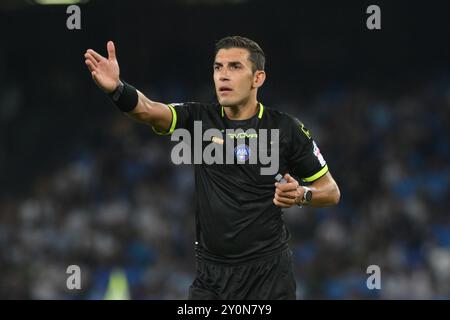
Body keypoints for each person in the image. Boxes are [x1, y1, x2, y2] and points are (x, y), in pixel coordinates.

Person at [84, 35, 340, 300]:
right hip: (211, 277)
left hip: (268, 276)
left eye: (235, 67)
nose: (223, 76)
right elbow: (148, 110)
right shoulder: (199, 119)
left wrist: (302, 195)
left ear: (258, 78)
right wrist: (117, 89)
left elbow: (331, 191)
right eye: (218, 67)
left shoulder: (286, 129)